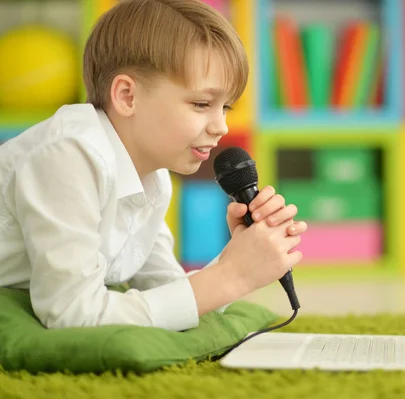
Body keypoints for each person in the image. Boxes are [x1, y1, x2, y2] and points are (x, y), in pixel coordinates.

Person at [0, 0, 307, 331]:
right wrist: (231, 277)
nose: (221, 127)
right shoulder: (66, 158)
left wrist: (237, 257)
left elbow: (167, 294)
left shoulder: (153, 177)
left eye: (226, 107)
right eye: (202, 103)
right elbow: (71, 314)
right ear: (128, 97)